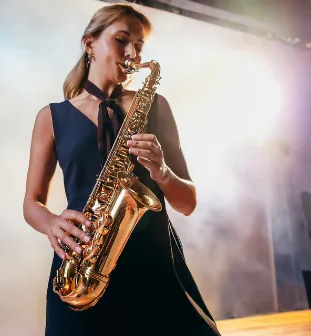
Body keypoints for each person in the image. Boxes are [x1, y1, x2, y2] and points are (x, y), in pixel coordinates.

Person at [23, 3, 221, 335]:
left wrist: (161, 171)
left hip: (155, 262)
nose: (132, 52)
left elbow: (187, 202)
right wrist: (52, 223)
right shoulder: (51, 117)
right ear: (90, 44)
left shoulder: (156, 106)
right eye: (121, 40)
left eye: (139, 45)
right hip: (84, 260)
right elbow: (31, 203)